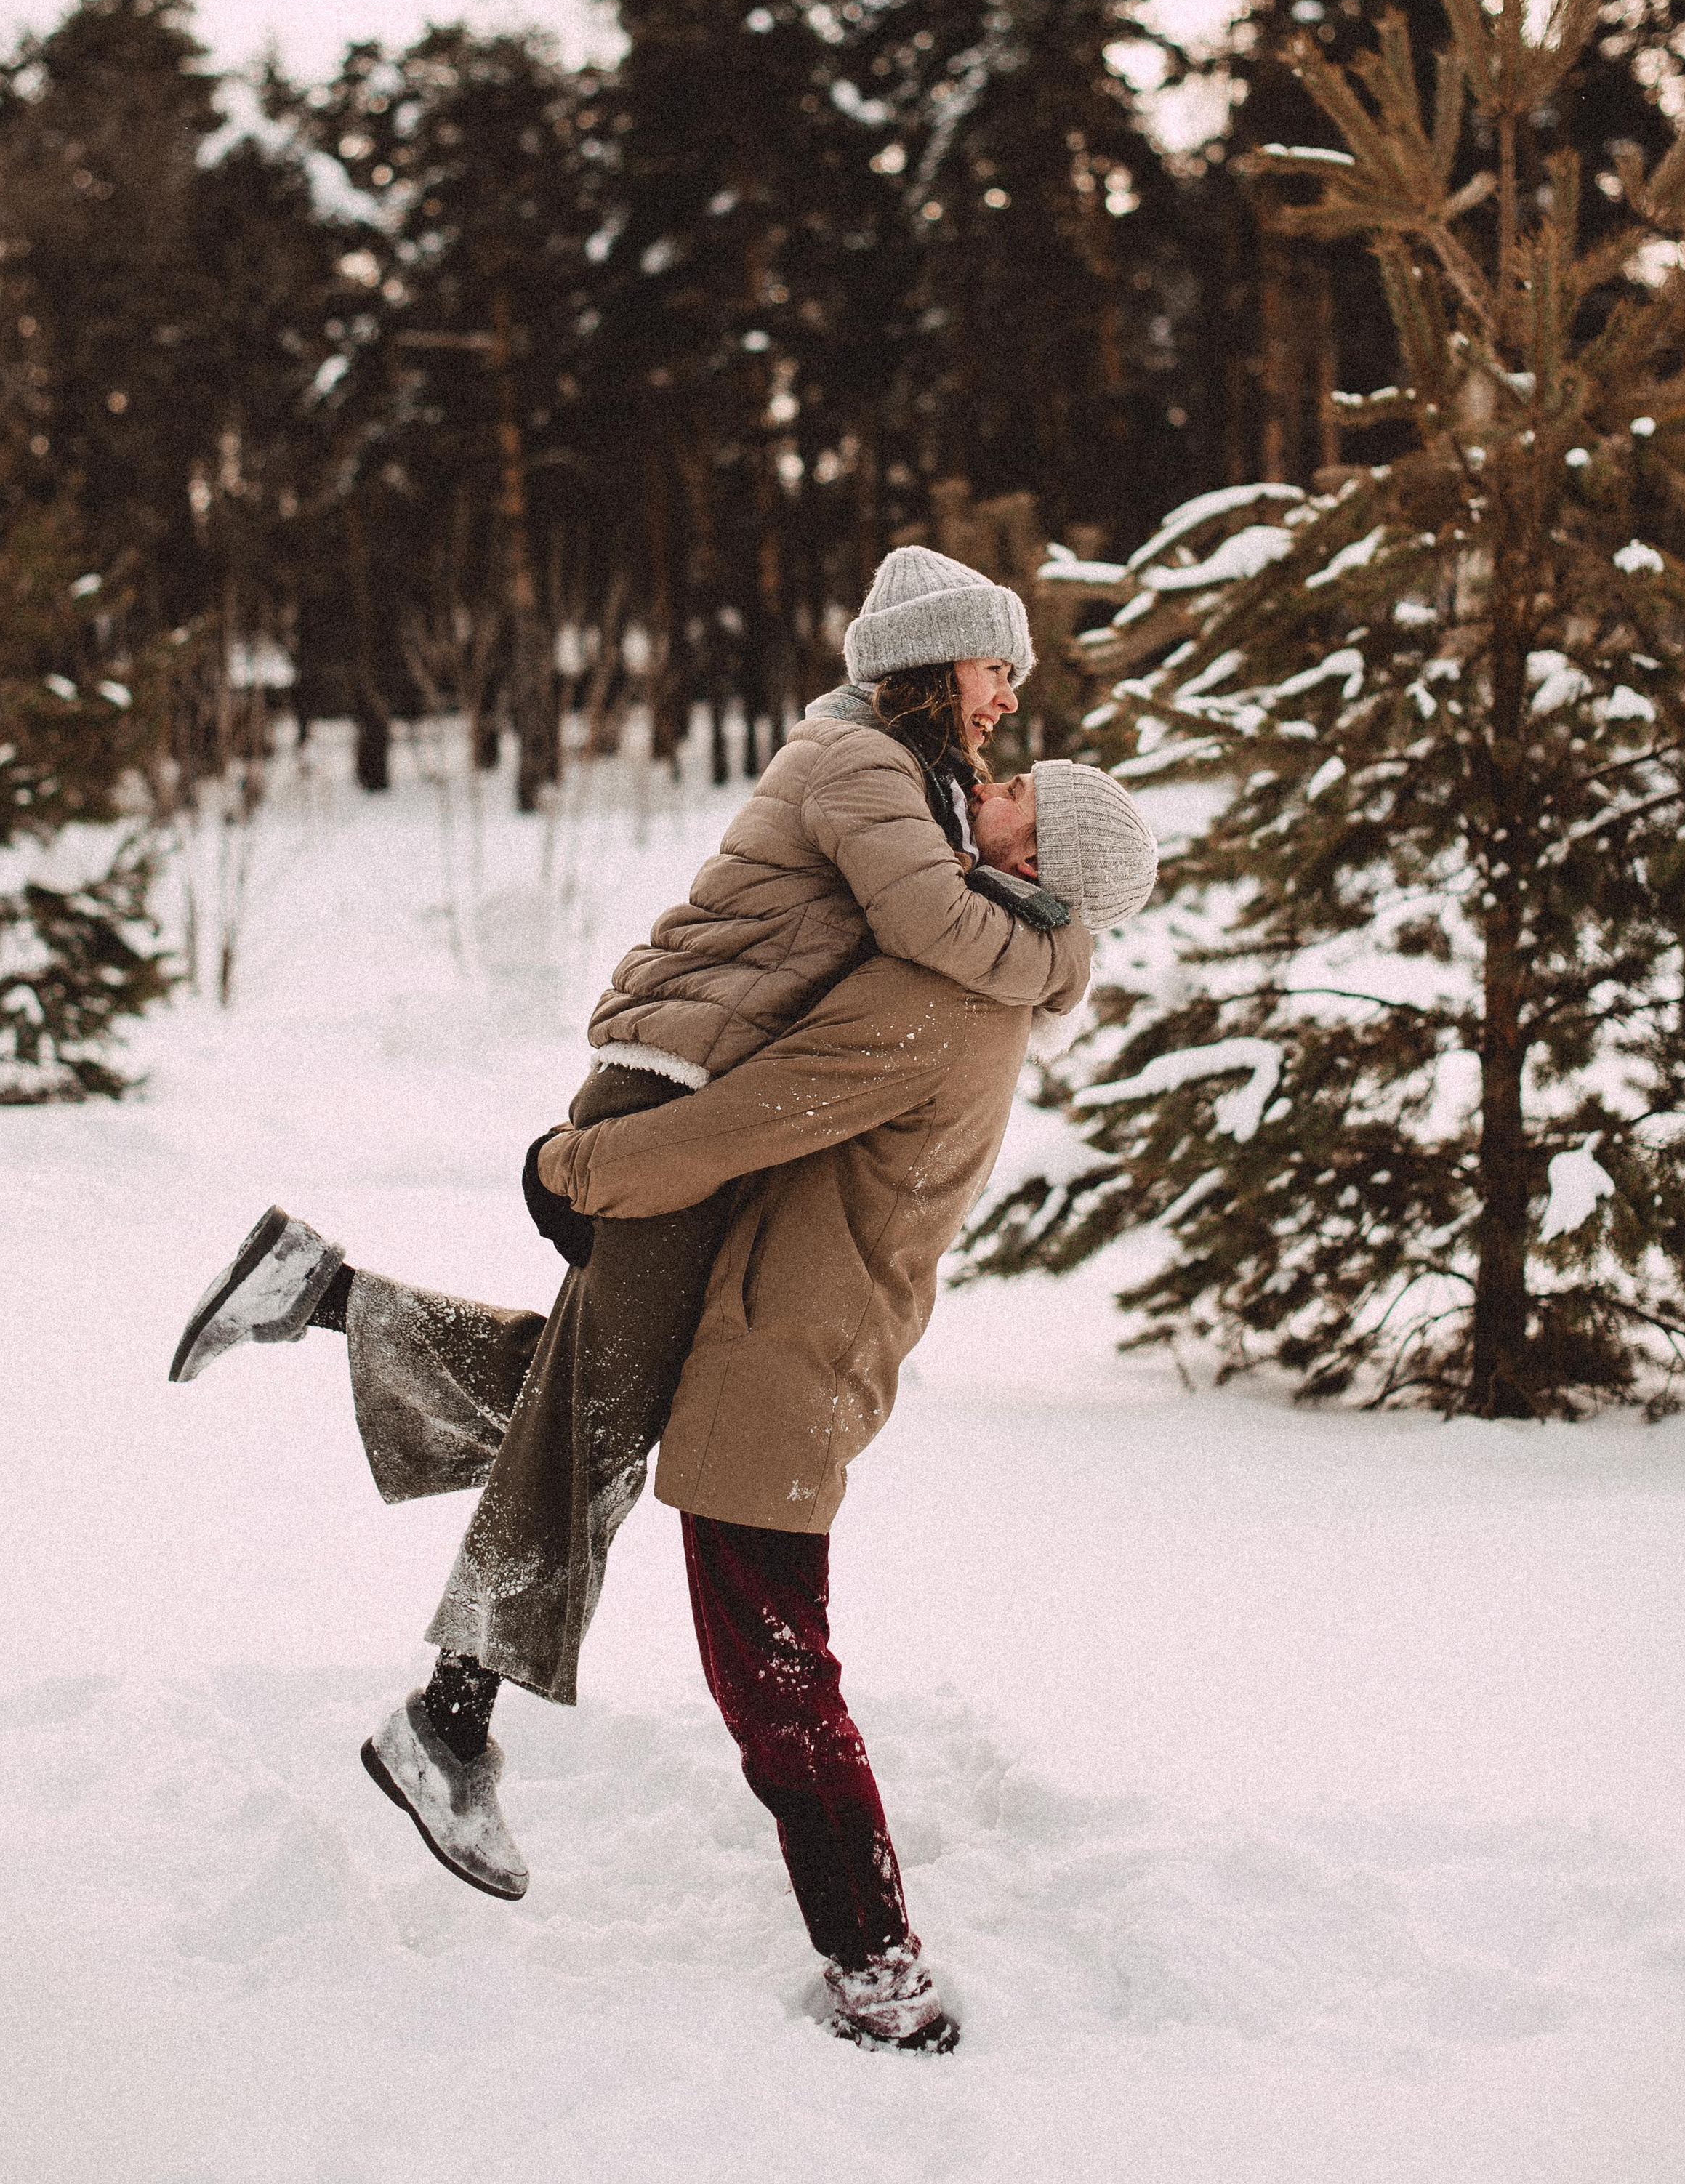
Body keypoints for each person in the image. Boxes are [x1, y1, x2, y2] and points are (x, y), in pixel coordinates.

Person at [167, 547, 1157, 2044]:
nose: (1008, 726)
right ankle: (451, 1722)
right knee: (603, 1419)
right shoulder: (865, 764)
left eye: (1021, 800)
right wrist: (594, 1162)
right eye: (994, 679)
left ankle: (327, 1311)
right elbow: (915, 951)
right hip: (671, 1111)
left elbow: (918, 984)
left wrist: (1048, 922)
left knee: (596, 1405)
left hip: (708, 1162)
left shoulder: (954, 896)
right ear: (929, 664)